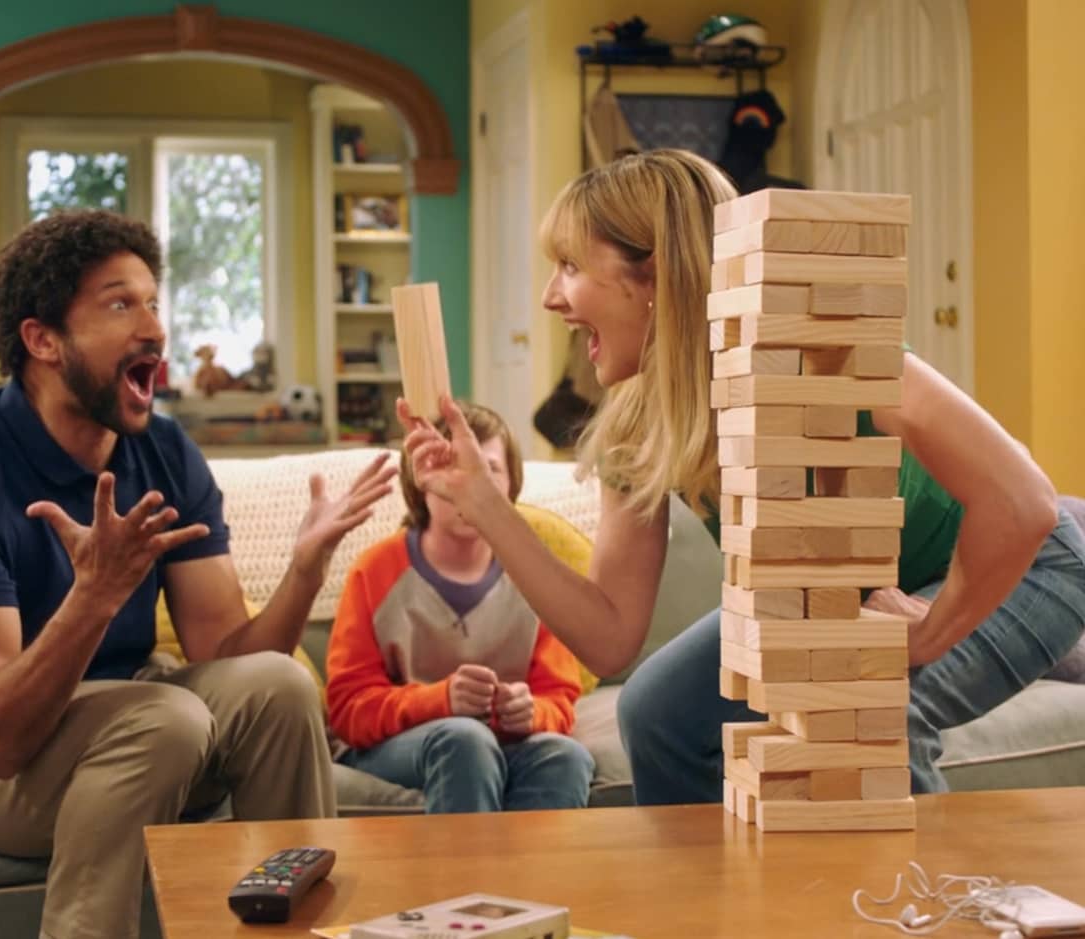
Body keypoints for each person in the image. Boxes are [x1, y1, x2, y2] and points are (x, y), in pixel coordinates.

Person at [397, 149, 1085, 805]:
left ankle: (917, 922)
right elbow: (610, 635)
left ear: (658, 274)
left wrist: (930, 633)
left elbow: (1024, 504)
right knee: (658, 708)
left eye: (571, 265)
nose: (552, 296)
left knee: (866, 712)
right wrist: (483, 503)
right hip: (838, 599)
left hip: (1028, 566)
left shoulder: (820, 343)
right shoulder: (640, 419)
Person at [0, 208, 396, 939]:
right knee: (166, 719)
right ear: (43, 340)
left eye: (154, 302)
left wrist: (303, 569)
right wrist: (93, 597)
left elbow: (226, 653)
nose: (155, 327)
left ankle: (300, 931)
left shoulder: (162, 450)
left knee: (281, 685)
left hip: (124, 707)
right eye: (120, 303)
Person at [326, 401, 595, 813]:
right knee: (465, 738)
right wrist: (440, 700)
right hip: (402, 748)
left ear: (511, 485)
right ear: (420, 481)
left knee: (567, 756)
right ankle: (467, 880)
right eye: (450, 467)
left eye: (489, 470)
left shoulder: (534, 571)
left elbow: (558, 699)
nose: (469, 485)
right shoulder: (375, 571)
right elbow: (347, 710)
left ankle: (533, 880)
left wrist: (529, 713)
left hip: (505, 744)